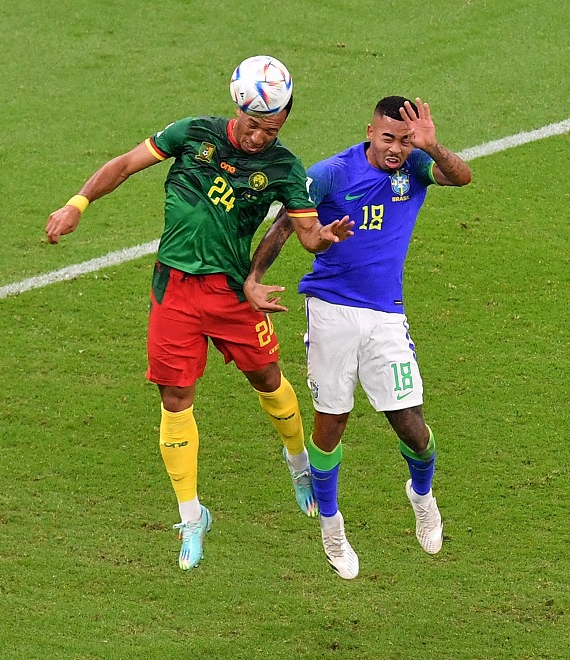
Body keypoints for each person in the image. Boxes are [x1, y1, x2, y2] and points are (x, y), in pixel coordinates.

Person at [45, 59, 354, 571]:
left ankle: (300, 466)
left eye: (271, 129)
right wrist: (77, 203)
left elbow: (305, 233)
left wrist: (325, 237)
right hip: (176, 291)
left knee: (268, 378)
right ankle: (192, 515)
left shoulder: (284, 168)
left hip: (232, 293)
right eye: (253, 125)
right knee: (175, 397)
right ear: (237, 108)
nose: (259, 137)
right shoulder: (193, 134)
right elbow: (123, 164)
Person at [245, 96, 471, 579]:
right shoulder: (331, 173)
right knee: (332, 423)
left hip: (387, 315)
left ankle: (422, 495)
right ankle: (331, 525)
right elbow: (287, 224)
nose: (396, 149)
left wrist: (434, 148)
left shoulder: (416, 167)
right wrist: (254, 277)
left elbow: (461, 177)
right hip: (331, 310)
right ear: (369, 132)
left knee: (412, 427)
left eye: (405, 140)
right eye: (388, 138)